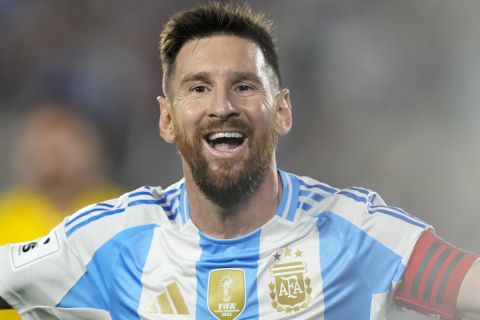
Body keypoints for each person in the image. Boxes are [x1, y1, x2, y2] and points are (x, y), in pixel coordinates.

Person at [0, 2, 479, 319]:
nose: (222, 105)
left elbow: (466, 283)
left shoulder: (355, 233)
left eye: (244, 86)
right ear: (167, 119)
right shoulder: (108, 244)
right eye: (199, 88)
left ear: (283, 110)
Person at [0, 104, 123, 319]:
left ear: (90, 151)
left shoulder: (122, 211)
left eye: (61, 149)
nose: (52, 158)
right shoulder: (6, 216)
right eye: (42, 148)